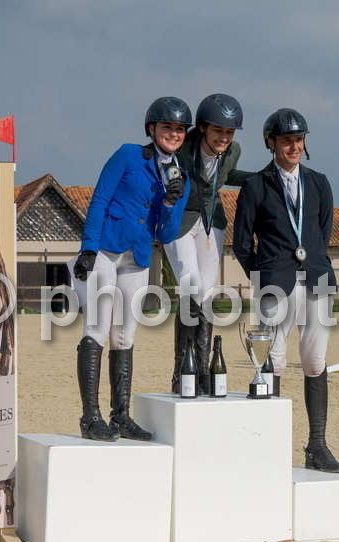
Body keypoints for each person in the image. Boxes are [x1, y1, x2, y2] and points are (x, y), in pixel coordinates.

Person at [72, 96, 192, 442]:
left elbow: (167, 234)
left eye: (180, 129)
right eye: (167, 126)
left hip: (138, 256)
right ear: (152, 128)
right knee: (97, 327)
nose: (174, 133)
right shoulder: (128, 155)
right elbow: (100, 198)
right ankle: (90, 417)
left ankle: (120, 416)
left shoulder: (181, 178)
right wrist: (88, 247)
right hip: (106, 249)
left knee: (124, 334)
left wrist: (169, 202)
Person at [232, 108, 339, 473]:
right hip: (274, 282)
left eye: (298, 140)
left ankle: (318, 445)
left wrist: (311, 261)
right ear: (271, 143)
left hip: (316, 278)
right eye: (286, 141)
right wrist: (263, 276)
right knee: (273, 360)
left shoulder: (319, 183)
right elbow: (241, 243)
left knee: (315, 361)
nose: (294, 147)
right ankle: (272, 446)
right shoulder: (255, 186)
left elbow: (322, 232)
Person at [165, 93, 253, 394]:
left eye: (229, 132)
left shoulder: (234, 151)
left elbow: (227, 175)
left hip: (211, 220)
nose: (224, 138)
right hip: (181, 219)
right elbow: (168, 169)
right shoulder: (182, 147)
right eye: (218, 131)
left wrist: (263, 177)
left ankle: (201, 370)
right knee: (191, 286)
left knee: (206, 292)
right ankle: (181, 370)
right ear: (203, 127)